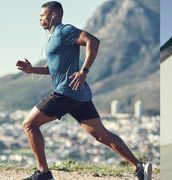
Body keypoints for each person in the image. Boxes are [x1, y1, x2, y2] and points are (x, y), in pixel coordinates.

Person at [16, 1, 152, 180]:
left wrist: (84, 71)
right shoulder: (53, 37)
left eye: (43, 15)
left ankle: (44, 174)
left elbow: (93, 41)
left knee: (29, 125)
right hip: (79, 95)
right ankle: (139, 167)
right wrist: (32, 69)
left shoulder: (65, 31)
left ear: (54, 15)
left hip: (66, 92)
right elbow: (54, 69)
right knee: (102, 135)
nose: (40, 19)